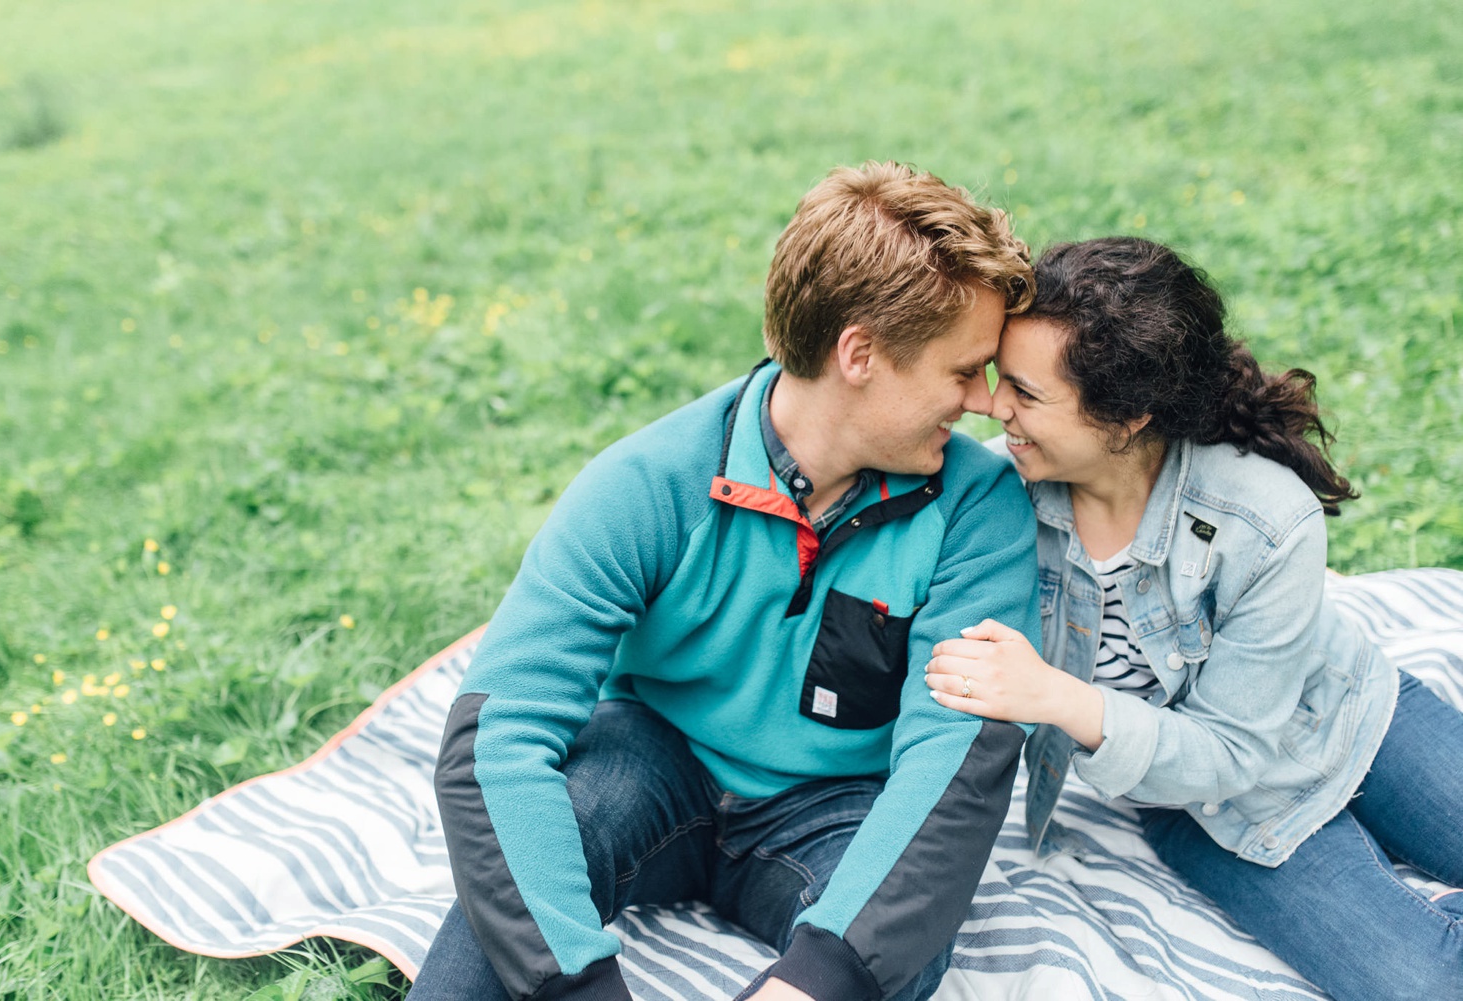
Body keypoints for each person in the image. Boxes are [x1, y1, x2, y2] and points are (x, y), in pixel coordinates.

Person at [411, 161, 1041, 1001]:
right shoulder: (646, 483)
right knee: (520, 871)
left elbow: (954, 762)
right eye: (964, 372)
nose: (988, 404)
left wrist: (815, 980)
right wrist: (577, 985)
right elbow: (495, 737)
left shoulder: (979, 505)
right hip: (650, 758)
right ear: (861, 354)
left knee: (895, 950)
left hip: (835, 807)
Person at [924, 236, 1463, 1001]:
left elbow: (1236, 744)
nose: (992, 405)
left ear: (1129, 417)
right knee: (1428, 984)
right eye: (995, 378)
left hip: (1352, 718)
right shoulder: (997, 500)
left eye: (1026, 392)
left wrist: (1055, 697)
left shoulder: (1266, 516)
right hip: (1202, 809)